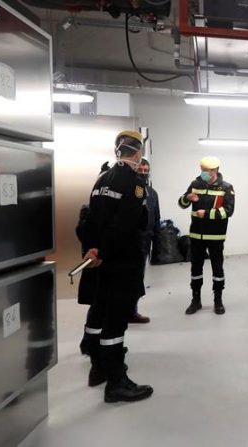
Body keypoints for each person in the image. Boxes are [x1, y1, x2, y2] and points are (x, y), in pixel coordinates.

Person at [80, 130, 154, 403]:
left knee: (100, 309)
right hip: (122, 259)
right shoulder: (134, 182)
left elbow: (91, 219)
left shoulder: (102, 179)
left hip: (101, 258)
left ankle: (97, 367)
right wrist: (107, 250)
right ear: (136, 154)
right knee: (116, 318)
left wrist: (93, 249)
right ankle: (116, 381)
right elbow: (125, 223)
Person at [177, 156, 235, 315]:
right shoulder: (195, 184)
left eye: (207, 171)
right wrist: (186, 198)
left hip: (216, 237)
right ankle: (196, 301)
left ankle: (218, 301)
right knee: (195, 269)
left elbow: (228, 211)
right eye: (201, 170)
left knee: (217, 269)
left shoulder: (226, 187)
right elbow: (182, 204)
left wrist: (207, 214)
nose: (203, 173)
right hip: (196, 235)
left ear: (215, 170)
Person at [131, 158, 160, 324]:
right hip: (129, 241)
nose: (143, 172)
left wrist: (156, 246)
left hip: (145, 241)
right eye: (140, 169)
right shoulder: (128, 189)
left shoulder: (152, 193)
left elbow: (156, 217)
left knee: (138, 277)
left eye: (145, 170)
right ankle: (122, 310)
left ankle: (132, 311)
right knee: (128, 277)